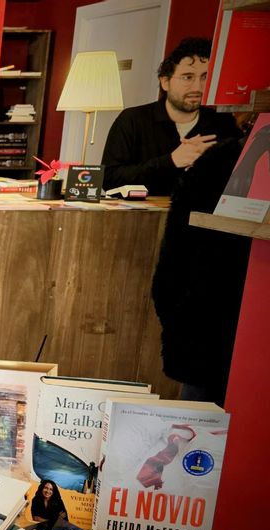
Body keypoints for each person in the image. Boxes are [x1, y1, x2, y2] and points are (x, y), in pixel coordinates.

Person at [151, 115, 250, 405]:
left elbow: (172, 266)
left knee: (201, 430)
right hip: (209, 333)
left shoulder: (221, 162)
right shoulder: (222, 163)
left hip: (205, 334)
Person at [101, 37, 241, 196]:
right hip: (143, 219)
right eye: (187, 77)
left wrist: (212, 161)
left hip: (200, 219)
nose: (197, 87)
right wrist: (171, 161)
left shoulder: (223, 122)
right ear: (165, 82)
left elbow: (240, 180)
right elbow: (109, 179)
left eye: (204, 77)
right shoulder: (132, 119)